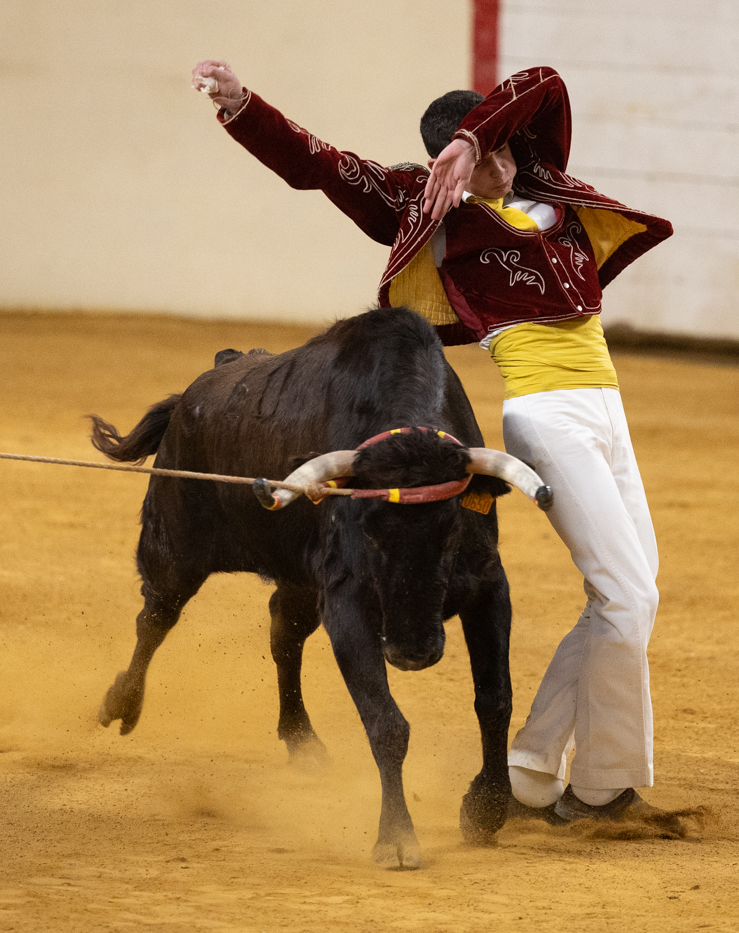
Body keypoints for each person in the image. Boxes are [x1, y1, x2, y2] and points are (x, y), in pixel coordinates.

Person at [190, 60, 671, 823]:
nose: (501, 163)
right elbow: (321, 167)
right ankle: (600, 785)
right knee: (625, 594)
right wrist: (245, 108)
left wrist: (479, 135)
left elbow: (544, 81)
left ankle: (533, 765)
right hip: (545, 412)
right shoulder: (428, 204)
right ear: (445, 162)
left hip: (607, 408)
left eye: (502, 146)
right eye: (481, 155)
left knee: (633, 599)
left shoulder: (541, 175)